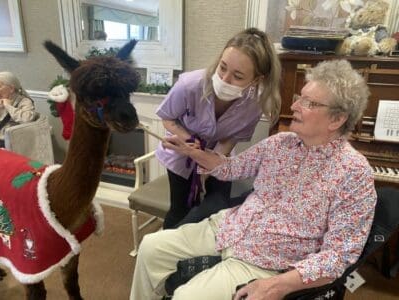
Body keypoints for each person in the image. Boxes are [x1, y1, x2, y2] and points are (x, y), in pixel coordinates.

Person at [130, 59, 377, 300]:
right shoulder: (281, 143)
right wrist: (194, 152)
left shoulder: (354, 174)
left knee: (187, 297)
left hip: (268, 259)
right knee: (150, 247)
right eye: (299, 97)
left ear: (337, 119)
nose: (294, 107)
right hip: (230, 227)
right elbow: (230, 168)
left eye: (309, 102)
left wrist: (277, 286)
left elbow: (338, 256)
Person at [155, 27, 281, 229]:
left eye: (238, 76)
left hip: (220, 155)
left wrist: (208, 165)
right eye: (222, 67)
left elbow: (230, 139)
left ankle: (198, 252)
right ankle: (167, 249)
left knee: (217, 207)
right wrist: (190, 144)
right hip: (181, 156)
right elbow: (167, 119)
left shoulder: (255, 104)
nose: (224, 79)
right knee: (180, 210)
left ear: (257, 80)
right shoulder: (189, 85)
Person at [0, 71, 38, 148]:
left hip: (12, 143)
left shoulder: (25, 101)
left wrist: (8, 106)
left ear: (11, 89)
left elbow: (27, 119)